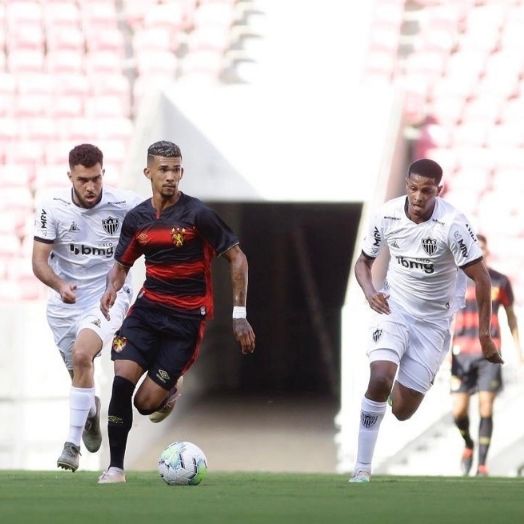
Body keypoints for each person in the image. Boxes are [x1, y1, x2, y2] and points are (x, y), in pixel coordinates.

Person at [97, 140, 256, 484]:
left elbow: (237, 257)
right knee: (121, 380)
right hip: (147, 311)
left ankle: (168, 389)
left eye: (176, 170)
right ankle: (115, 468)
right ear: (148, 173)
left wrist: (239, 314)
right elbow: (121, 265)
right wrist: (112, 288)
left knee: (144, 404)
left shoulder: (198, 215)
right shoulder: (137, 219)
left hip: (186, 320)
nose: (171, 176)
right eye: (164, 170)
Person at [349, 158, 503, 483]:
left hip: (433, 323)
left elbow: (482, 279)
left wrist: (485, 336)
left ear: (439, 190)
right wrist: (370, 292)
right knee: (380, 377)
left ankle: (393, 391)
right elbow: (363, 262)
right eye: (414, 189)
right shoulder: (387, 215)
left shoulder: (453, 224)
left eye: (427, 191)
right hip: (393, 309)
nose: (419, 197)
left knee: (402, 411)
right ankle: (361, 469)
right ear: (406, 185)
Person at [32, 144, 142, 472]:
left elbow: (161, 213)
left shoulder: (124, 204)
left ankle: (71, 446)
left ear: (103, 173)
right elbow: (39, 261)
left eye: (96, 179)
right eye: (83, 180)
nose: (91, 187)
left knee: (83, 355)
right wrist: (59, 285)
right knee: (80, 374)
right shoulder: (52, 207)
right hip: (64, 304)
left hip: (107, 297)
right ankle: (90, 410)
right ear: (70, 177)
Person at [451, 234, 522, 477]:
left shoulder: (500, 281)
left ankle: (482, 465)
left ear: (487, 252)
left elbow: (511, 317)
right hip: (461, 354)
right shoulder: (456, 279)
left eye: (482, 248)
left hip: (489, 354)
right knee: (458, 411)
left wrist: (519, 352)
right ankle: (468, 443)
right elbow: (445, 315)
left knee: (486, 407)